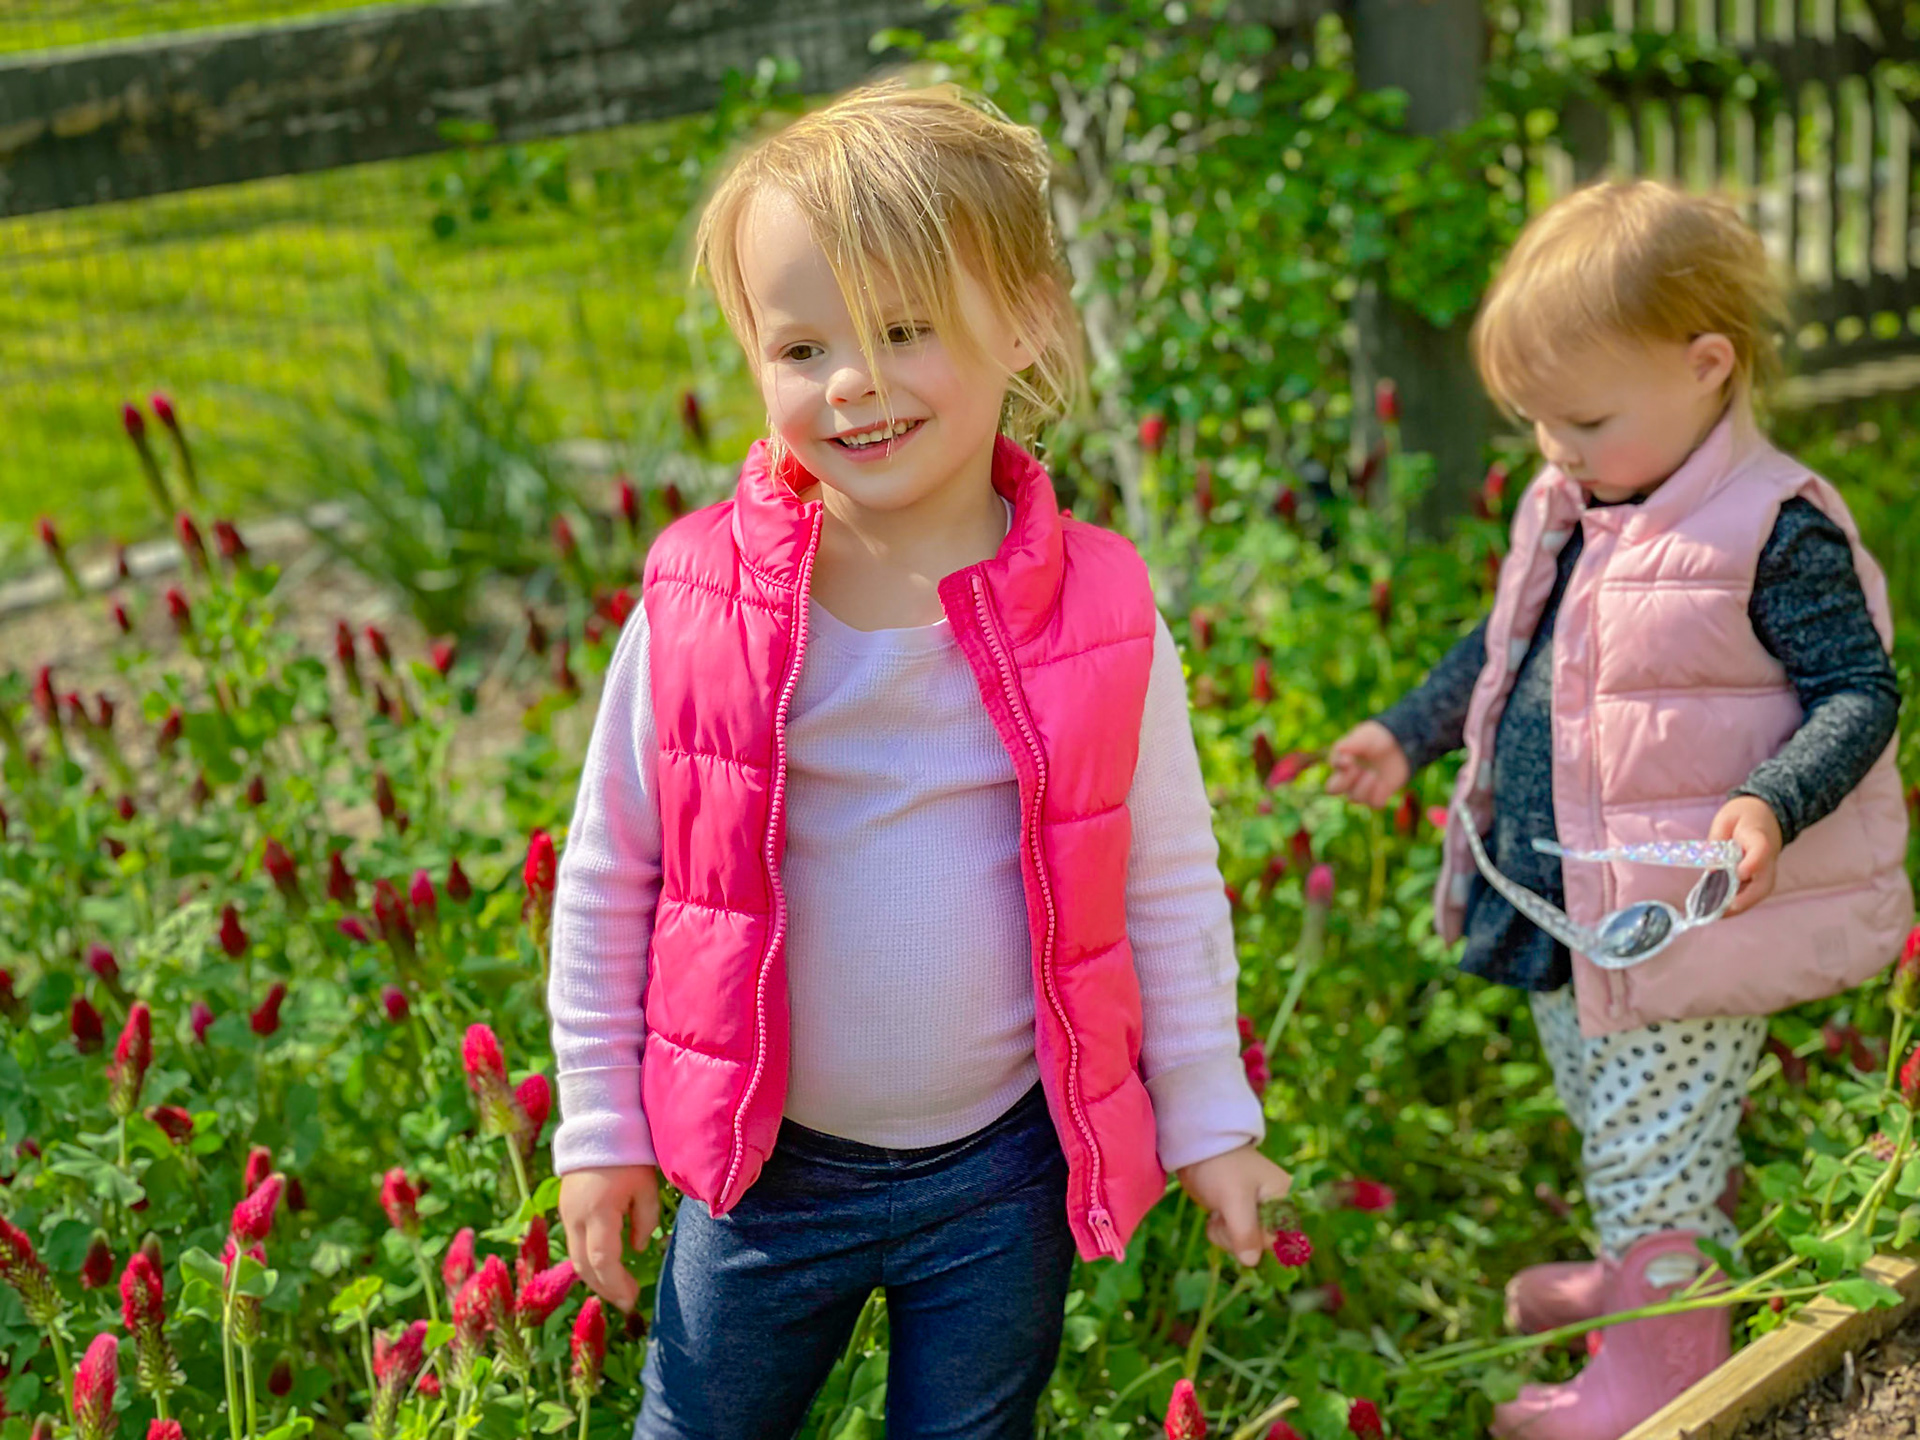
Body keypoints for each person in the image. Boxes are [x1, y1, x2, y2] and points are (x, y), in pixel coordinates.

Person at [546, 79, 1291, 1439]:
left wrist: (1210, 1119)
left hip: (1000, 1167)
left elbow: (1167, 888)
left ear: (1023, 327)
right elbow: (612, 877)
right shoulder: (699, 609)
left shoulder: (1105, 616)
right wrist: (600, 1127)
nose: (855, 383)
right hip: (766, 1169)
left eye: (905, 330)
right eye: (802, 346)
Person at [1328, 179, 1911, 1440]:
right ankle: (1641, 1259)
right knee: (1613, 1114)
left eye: (1582, 418)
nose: (1556, 450)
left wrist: (1770, 803)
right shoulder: (1587, 502)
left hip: (1680, 922)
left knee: (1654, 1139)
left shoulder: (1771, 530)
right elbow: (1502, 648)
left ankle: (1661, 1359)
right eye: (1537, 423)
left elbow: (1860, 695)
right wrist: (1404, 731)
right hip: (1569, 910)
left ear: (1709, 367)